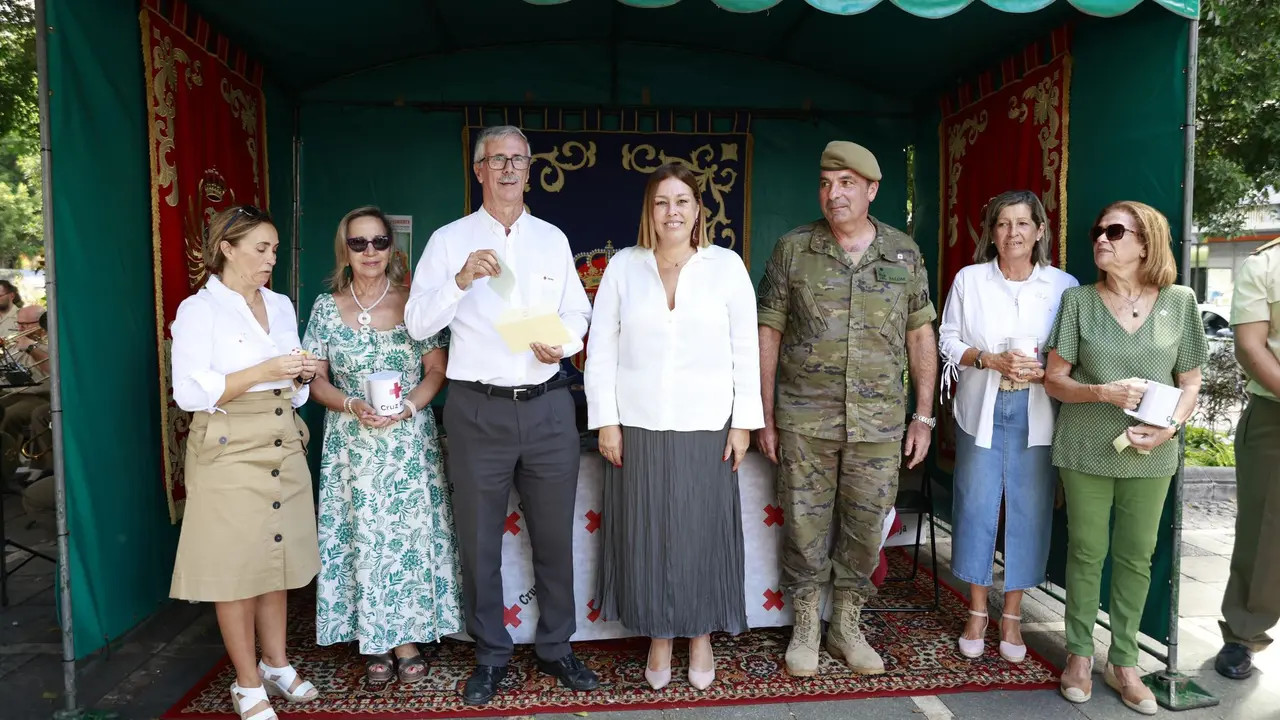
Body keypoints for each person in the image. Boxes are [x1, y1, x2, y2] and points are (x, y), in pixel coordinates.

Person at [405, 125, 596, 705]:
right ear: (479, 170)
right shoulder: (447, 240)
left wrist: (561, 344)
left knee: (554, 538)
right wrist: (460, 280)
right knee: (480, 541)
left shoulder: (552, 239)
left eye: (518, 159)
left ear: (529, 168)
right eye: (498, 160)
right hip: (476, 409)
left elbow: (578, 314)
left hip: (547, 408)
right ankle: (490, 654)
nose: (509, 169)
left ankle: (557, 647)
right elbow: (416, 323)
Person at [756, 140, 938, 678]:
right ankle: (807, 624)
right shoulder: (794, 249)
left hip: (878, 423)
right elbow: (769, 332)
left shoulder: (903, 252)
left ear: (871, 190)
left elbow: (920, 333)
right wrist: (764, 415)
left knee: (864, 528)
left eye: (846, 184)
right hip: (804, 421)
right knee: (804, 527)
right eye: (826, 183)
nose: (833, 194)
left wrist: (923, 415)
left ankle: (848, 625)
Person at [585, 162, 763, 691]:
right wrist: (606, 421)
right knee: (648, 534)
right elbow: (602, 349)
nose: (672, 211)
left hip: (708, 424)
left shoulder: (726, 267)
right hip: (636, 425)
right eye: (662, 201)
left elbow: (744, 348)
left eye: (682, 200)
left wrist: (743, 423)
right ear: (649, 210)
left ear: (697, 210)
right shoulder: (623, 267)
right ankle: (661, 636)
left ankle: (701, 635)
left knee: (700, 533)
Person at [1044, 201, 1207, 716]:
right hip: (1086, 448)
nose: (1102, 239)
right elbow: (1054, 379)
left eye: (1116, 231)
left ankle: (1125, 661)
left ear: (1146, 242)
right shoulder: (1078, 301)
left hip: (1153, 453)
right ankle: (1076, 655)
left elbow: (1191, 382)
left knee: (1137, 557)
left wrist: (1170, 430)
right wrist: (1102, 394)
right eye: (1099, 231)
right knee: (1087, 551)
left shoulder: (1180, 302)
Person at [169, 205, 322, 720]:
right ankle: (247, 683)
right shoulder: (200, 310)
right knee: (236, 568)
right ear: (226, 249)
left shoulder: (280, 305)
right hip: (229, 444)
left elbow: (293, 389)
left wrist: (300, 375)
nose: (270, 259)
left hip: (281, 435)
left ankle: (277, 664)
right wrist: (266, 368)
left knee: (273, 562)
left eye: (275, 249)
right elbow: (188, 392)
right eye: (261, 248)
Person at [303, 206, 462, 685]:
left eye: (378, 242)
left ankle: (408, 637)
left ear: (393, 248)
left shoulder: (415, 303)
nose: (369, 252)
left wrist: (410, 407)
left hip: (407, 441)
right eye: (358, 243)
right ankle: (374, 638)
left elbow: (437, 369)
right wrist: (352, 404)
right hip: (352, 444)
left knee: (407, 540)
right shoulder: (324, 307)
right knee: (362, 539)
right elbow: (314, 379)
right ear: (344, 249)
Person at [938, 190, 1077, 663]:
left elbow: (1074, 350)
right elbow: (947, 339)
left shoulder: (1063, 286)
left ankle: (1013, 615)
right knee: (976, 505)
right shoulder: (970, 280)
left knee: (1030, 508)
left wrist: (1047, 370)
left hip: (1037, 410)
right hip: (982, 406)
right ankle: (977, 611)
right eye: (1002, 224)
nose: (1012, 233)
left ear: (1040, 230)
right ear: (990, 233)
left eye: (1022, 223)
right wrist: (987, 358)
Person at [1216, 237, 1280, 680]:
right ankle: (1244, 633)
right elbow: (1250, 347)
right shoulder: (1267, 264)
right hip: (1275, 413)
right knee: (1264, 531)